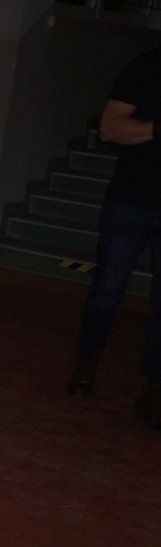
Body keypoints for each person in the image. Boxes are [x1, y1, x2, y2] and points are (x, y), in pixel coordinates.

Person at [66, 49, 161, 431]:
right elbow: (109, 128)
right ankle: (87, 358)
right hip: (130, 200)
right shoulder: (148, 66)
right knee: (106, 289)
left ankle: (154, 388)